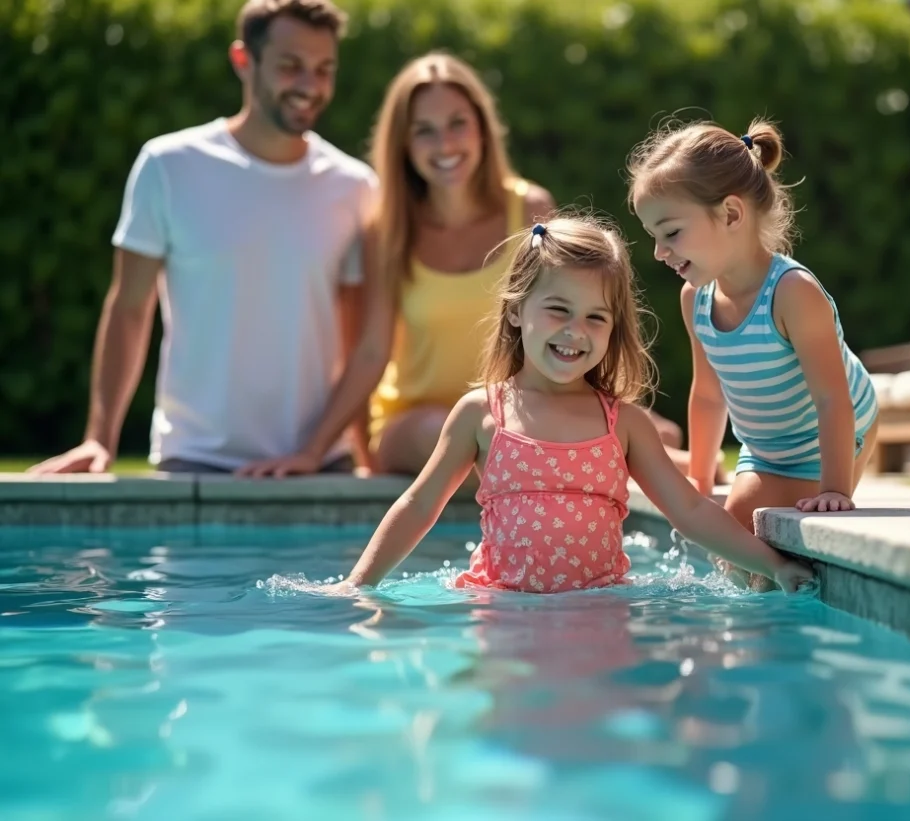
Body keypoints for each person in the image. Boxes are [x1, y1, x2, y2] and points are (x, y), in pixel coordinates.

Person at [239, 50, 710, 483]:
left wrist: (601, 405)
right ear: (403, 143)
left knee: (659, 433)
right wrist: (315, 450)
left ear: (482, 128)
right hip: (415, 422)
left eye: (457, 123)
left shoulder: (529, 210)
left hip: (522, 406)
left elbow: (572, 312)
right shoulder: (387, 230)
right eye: (424, 129)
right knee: (475, 435)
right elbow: (369, 352)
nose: (444, 142)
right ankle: (669, 472)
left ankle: (682, 472)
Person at [339, 214, 812, 593]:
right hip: (502, 610)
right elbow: (420, 505)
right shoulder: (482, 414)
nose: (575, 331)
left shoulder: (622, 423)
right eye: (558, 310)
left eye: (595, 318)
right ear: (517, 310)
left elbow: (689, 510)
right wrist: (358, 585)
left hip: (599, 612)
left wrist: (772, 566)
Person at [28, 0, 376, 476]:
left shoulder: (356, 187)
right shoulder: (168, 165)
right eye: (290, 66)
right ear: (242, 60)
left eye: (324, 69)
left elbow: (362, 339)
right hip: (194, 458)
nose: (310, 86)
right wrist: (100, 439)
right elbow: (129, 309)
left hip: (315, 463)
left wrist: (329, 449)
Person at [628, 118, 879, 586]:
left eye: (671, 233)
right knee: (726, 534)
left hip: (838, 429)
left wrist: (835, 490)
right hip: (765, 449)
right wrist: (700, 482)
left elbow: (833, 398)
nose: (659, 252)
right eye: (653, 236)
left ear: (730, 215)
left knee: (742, 529)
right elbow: (707, 396)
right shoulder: (697, 299)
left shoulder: (791, 293)